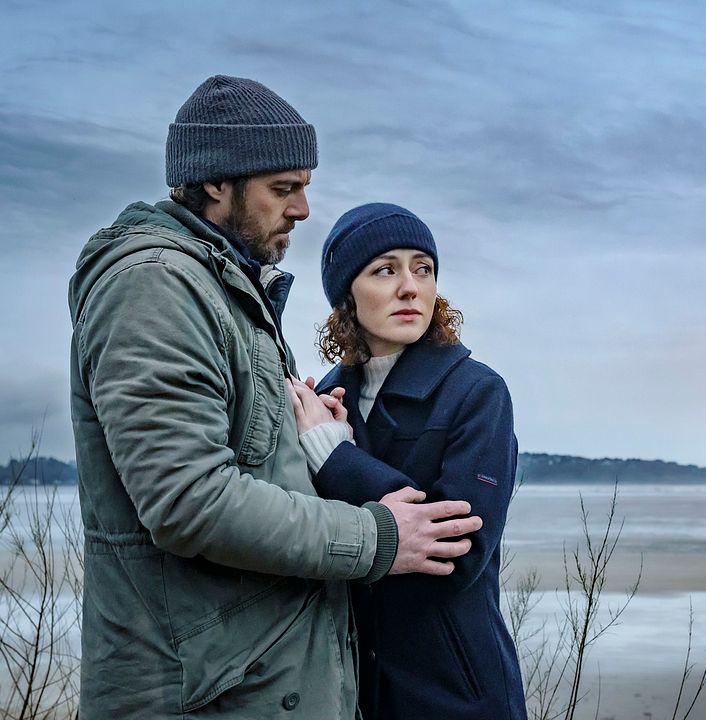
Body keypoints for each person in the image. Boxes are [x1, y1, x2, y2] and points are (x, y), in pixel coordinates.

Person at [68, 76, 481, 720]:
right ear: (215, 185)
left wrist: (314, 443)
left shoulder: (227, 288)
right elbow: (188, 500)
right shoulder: (154, 289)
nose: (303, 210)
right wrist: (375, 540)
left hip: (258, 686)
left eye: (305, 188)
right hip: (203, 696)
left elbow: (250, 466)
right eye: (283, 190)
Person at [287, 202, 527, 719]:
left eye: (423, 268)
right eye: (384, 270)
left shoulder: (476, 392)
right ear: (347, 292)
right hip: (353, 690)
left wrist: (337, 459)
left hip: (453, 691)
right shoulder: (325, 398)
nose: (409, 287)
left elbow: (459, 550)